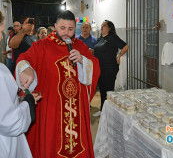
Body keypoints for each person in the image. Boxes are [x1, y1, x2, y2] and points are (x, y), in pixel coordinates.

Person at [16, 10, 100, 158]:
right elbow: (24, 58)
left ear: (75, 28)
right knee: (52, 142)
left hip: (76, 107)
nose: (66, 33)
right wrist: (27, 68)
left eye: (70, 29)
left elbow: (95, 66)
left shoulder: (80, 46)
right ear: (55, 26)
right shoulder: (42, 45)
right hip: (52, 106)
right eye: (62, 28)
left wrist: (82, 60)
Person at [0, 11, 41, 158]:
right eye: (0, 32)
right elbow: (11, 122)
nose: (0, 37)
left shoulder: (34, 38)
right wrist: (28, 104)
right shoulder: (20, 36)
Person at [93, 20, 128, 117]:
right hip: (100, 68)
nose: (101, 27)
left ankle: (110, 112)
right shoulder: (100, 39)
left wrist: (119, 56)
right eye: (101, 25)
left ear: (109, 28)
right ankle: (102, 109)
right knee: (102, 89)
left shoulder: (112, 38)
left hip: (110, 67)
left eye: (104, 25)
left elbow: (125, 46)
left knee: (109, 90)